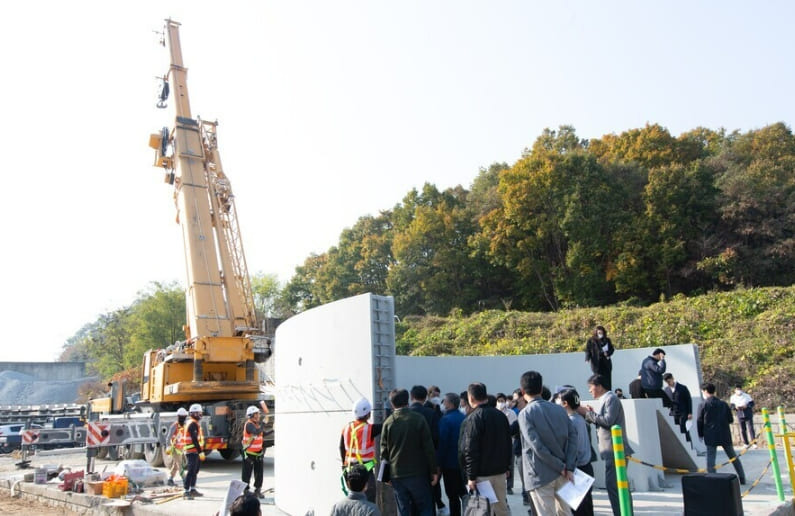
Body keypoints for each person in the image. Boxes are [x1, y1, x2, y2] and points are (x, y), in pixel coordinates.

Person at [518, 371, 578, 516]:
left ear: (522, 391)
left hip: (540, 475)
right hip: (564, 473)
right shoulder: (559, 410)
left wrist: (561, 466)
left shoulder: (525, 414)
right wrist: (568, 467)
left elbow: (537, 447)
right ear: (540, 389)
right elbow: (573, 438)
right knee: (565, 512)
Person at [576, 374, 634, 516]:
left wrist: (587, 414)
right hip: (611, 451)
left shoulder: (611, 399)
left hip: (616, 450)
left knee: (615, 486)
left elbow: (608, 421)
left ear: (599, 386)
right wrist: (591, 413)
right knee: (616, 485)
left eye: (591, 387)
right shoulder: (607, 400)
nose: (590, 391)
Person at [380, 388, 438, 516]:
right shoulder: (418, 419)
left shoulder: (388, 423)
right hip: (419, 473)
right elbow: (429, 448)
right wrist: (434, 470)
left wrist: (386, 475)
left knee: (403, 510)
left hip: (397, 474)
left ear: (391, 404)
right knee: (425, 508)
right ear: (407, 401)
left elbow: (384, 453)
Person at [458, 383, 513, 516]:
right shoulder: (501, 416)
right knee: (501, 509)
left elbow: (469, 450)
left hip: (481, 476)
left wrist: (470, 476)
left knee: (481, 511)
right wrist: (507, 467)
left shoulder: (473, 418)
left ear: (470, 398)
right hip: (500, 472)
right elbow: (508, 443)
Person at [697, 383, 746, 484]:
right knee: (733, 457)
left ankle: (713, 480)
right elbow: (730, 419)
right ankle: (742, 478)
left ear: (705, 391)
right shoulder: (723, 404)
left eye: (702, 391)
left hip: (710, 434)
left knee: (710, 459)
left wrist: (700, 433)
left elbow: (699, 420)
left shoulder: (703, 404)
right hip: (724, 433)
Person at [558, 389, 594, 516]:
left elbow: (572, 449)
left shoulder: (570, 422)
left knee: (578, 508)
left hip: (577, 469)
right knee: (587, 507)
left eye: (559, 400)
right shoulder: (580, 419)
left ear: (565, 403)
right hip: (587, 467)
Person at [340, 397, 382, 503]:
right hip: (365, 472)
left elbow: (341, 447)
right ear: (368, 414)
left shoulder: (346, 428)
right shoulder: (369, 429)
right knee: (368, 502)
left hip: (350, 471)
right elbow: (386, 425)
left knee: (354, 501)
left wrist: (344, 466)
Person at [410, 385, 444, 514]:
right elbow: (436, 439)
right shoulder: (431, 414)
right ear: (426, 398)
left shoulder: (404, 414)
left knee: (410, 501)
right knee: (428, 499)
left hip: (408, 463)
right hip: (427, 462)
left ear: (411, 396)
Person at [437, 393, 466, 516]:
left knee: (452, 495)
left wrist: (438, 463)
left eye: (445, 401)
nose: (443, 404)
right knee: (463, 492)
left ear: (449, 403)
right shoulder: (464, 417)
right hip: (464, 462)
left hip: (449, 463)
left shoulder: (445, 420)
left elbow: (442, 443)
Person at [242, 402, 269, 498]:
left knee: (259, 473)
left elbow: (262, 434)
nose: (258, 416)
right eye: (256, 414)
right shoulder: (249, 425)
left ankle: (257, 490)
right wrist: (264, 423)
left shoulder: (256, 425)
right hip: (249, 454)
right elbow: (257, 432)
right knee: (247, 473)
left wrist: (274, 430)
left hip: (258, 453)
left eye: (258, 414)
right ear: (251, 416)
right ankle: (245, 491)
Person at [511, 389, 531, 507]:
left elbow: (512, 430)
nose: (514, 402)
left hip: (524, 452)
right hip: (520, 450)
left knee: (526, 479)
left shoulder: (524, 414)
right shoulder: (520, 414)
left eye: (516, 399)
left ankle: (528, 498)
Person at [182, 403, 206, 499]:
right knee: (191, 471)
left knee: (195, 471)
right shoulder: (192, 424)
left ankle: (192, 489)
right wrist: (200, 452)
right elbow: (194, 439)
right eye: (198, 413)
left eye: (200, 413)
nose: (200, 415)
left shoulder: (194, 423)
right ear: (193, 413)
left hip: (194, 451)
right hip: (191, 451)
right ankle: (186, 491)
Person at [496, 392, 518, 495]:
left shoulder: (511, 413)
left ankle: (509, 486)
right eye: (499, 401)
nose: (501, 403)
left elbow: (513, 428)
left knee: (510, 464)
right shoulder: (494, 412)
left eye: (502, 401)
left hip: (510, 442)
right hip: (496, 443)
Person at [663, 373, 693, 443]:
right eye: (666, 382)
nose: (668, 383)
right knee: (675, 431)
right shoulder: (666, 390)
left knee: (684, 429)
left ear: (672, 378)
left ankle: (689, 446)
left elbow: (688, 400)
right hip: (672, 413)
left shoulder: (682, 388)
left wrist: (690, 412)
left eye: (669, 381)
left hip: (683, 412)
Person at [584, 325, 615, 390]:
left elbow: (612, 349)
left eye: (602, 333)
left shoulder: (607, 340)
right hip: (596, 363)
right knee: (598, 378)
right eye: (599, 333)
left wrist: (608, 353)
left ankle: (608, 391)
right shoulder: (591, 340)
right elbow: (588, 350)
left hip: (606, 362)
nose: (600, 334)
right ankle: (598, 391)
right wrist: (587, 358)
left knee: (607, 378)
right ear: (596, 333)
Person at [165, 407, 188, 486]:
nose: (184, 418)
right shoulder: (174, 426)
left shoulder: (185, 426)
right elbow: (168, 437)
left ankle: (170, 479)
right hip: (175, 449)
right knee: (180, 464)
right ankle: (185, 480)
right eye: (182, 417)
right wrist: (168, 446)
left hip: (180, 449)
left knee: (176, 465)